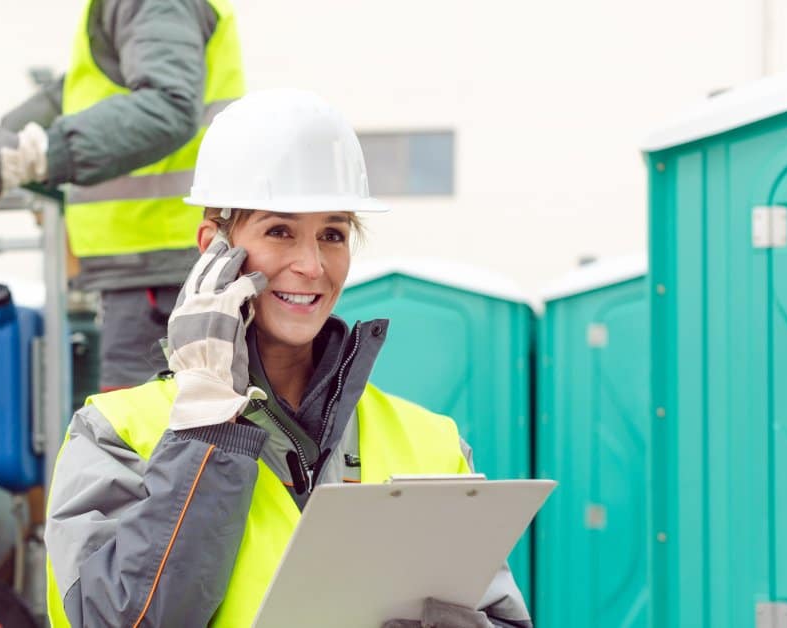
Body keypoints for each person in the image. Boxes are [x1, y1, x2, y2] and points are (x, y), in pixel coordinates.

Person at [42, 89, 534, 627]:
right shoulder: (115, 435)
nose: (312, 265)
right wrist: (206, 430)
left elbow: (502, 617)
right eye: (279, 231)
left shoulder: (431, 443)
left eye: (333, 234)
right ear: (213, 247)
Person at [0, 0, 245, 391]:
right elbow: (76, 92)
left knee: (140, 436)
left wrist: (37, 155)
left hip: (163, 265)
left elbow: (168, 106)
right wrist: (1, 149)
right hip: (157, 262)